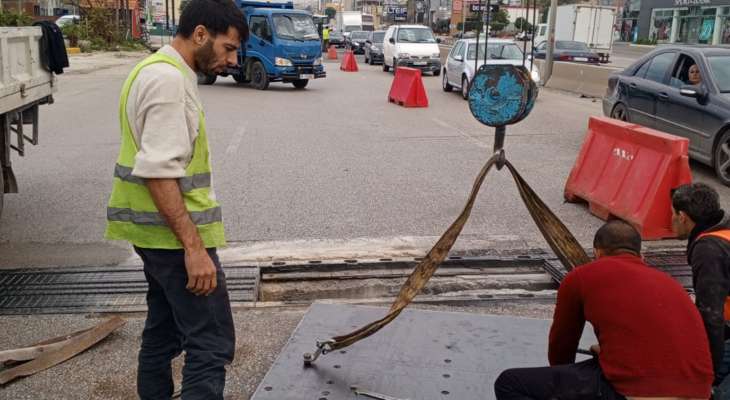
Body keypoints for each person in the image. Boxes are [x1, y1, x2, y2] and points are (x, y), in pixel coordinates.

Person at [104, 1, 248, 399]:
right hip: (172, 241)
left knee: (163, 333)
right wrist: (194, 249)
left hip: (155, 237)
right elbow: (158, 170)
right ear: (200, 34)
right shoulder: (168, 82)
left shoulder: (153, 70)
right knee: (210, 342)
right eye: (228, 48)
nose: (232, 60)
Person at [495, 220, 714, 400]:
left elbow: (562, 345)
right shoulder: (670, 283)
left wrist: (561, 380)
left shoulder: (582, 276)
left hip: (635, 390)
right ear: (640, 255)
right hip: (699, 391)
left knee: (509, 384)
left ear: (597, 252)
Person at [671, 183, 730, 390]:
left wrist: (707, 377)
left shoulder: (708, 249)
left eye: (673, 214)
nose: (671, 220)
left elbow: (711, 317)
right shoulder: (725, 231)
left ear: (683, 216)